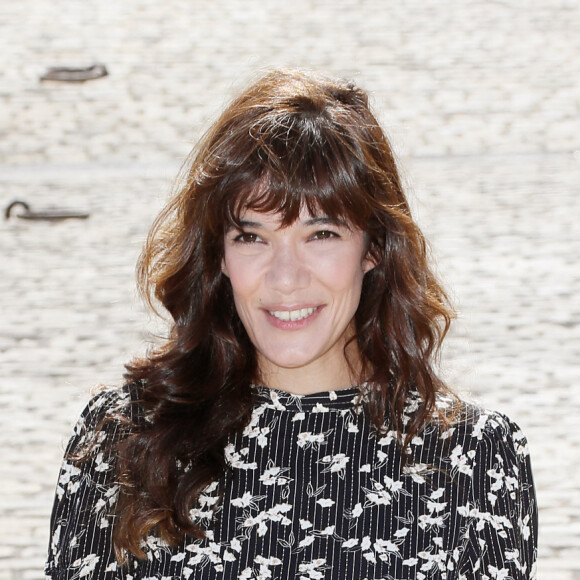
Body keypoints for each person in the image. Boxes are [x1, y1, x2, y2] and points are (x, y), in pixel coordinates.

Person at [45, 69, 537, 579]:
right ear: (218, 255)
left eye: (320, 234)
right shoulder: (125, 438)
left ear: (374, 248)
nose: (284, 279)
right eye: (251, 237)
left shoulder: (475, 457)